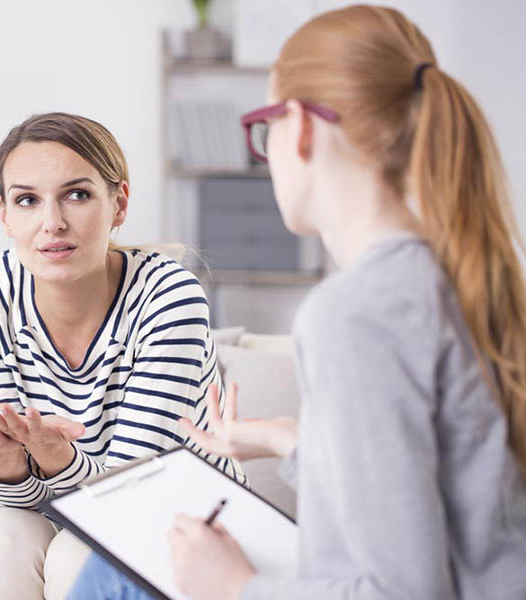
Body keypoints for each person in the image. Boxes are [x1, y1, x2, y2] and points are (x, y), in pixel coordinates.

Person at [67, 5, 526, 600]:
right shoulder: (456, 276)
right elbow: (432, 496)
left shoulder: (356, 313)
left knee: (116, 574)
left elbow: (406, 591)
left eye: (264, 126)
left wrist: (234, 588)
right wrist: (289, 441)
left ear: (300, 126)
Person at [0, 112, 244, 600]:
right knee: (4, 534)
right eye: (28, 200)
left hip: (187, 518)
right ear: (5, 214)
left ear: (119, 203)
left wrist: (53, 456)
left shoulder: (168, 294)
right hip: (68, 510)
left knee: (75, 553)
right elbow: (13, 500)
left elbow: (130, 494)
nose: (53, 223)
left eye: (78, 194)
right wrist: (4, 461)